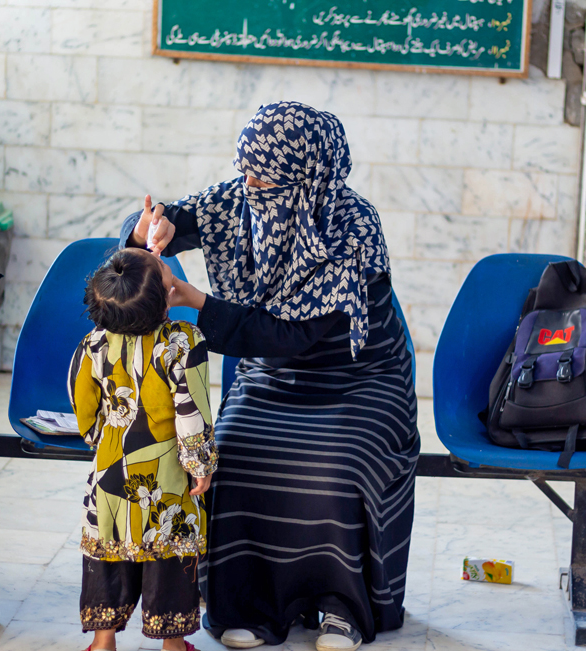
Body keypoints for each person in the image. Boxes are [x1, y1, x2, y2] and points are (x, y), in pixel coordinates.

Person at [121, 101, 420, 651]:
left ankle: (340, 609)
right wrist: (147, 232)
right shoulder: (241, 198)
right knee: (230, 454)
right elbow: (175, 221)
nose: (249, 186)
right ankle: (250, 605)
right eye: (245, 172)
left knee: (340, 466)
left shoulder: (353, 225)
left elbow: (292, 336)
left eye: (263, 178)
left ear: (306, 178)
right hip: (270, 378)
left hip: (359, 379)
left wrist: (196, 302)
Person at [69, 248, 219, 651]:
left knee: (107, 550)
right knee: (170, 554)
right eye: (163, 265)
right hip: (166, 474)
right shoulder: (184, 341)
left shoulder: (94, 342)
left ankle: (103, 642)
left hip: (109, 472)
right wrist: (199, 464)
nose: (162, 256)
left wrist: (100, 439)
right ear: (165, 294)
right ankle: (172, 645)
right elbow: (193, 411)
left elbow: (81, 402)